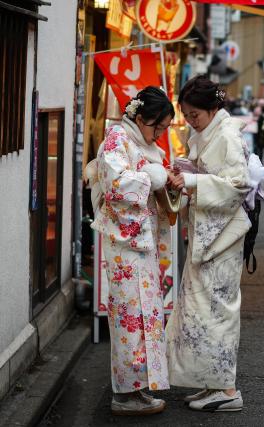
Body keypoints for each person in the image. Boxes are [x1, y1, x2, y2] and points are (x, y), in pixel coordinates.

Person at [165, 76, 254, 412]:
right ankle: (210, 382)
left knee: (218, 310)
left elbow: (237, 184)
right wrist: (187, 171)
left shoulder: (226, 134)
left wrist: (189, 179)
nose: (190, 121)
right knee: (203, 309)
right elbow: (210, 174)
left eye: (194, 115)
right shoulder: (209, 132)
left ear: (212, 108)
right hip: (211, 233)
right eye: (186, 115)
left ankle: (227, 389)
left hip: (223, 237)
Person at [85, 86, 175, 415]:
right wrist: (151, 177)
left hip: (140, 242)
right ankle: (124, 394)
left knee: (144, 314)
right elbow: (116, 186)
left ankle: (139, 388)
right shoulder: (117, 138)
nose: (161, 133)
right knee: (129, 317)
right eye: (158, 126)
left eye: (165, 127)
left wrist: (162, 177)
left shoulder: (137, 140)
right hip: (126, 244)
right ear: (140, 117)